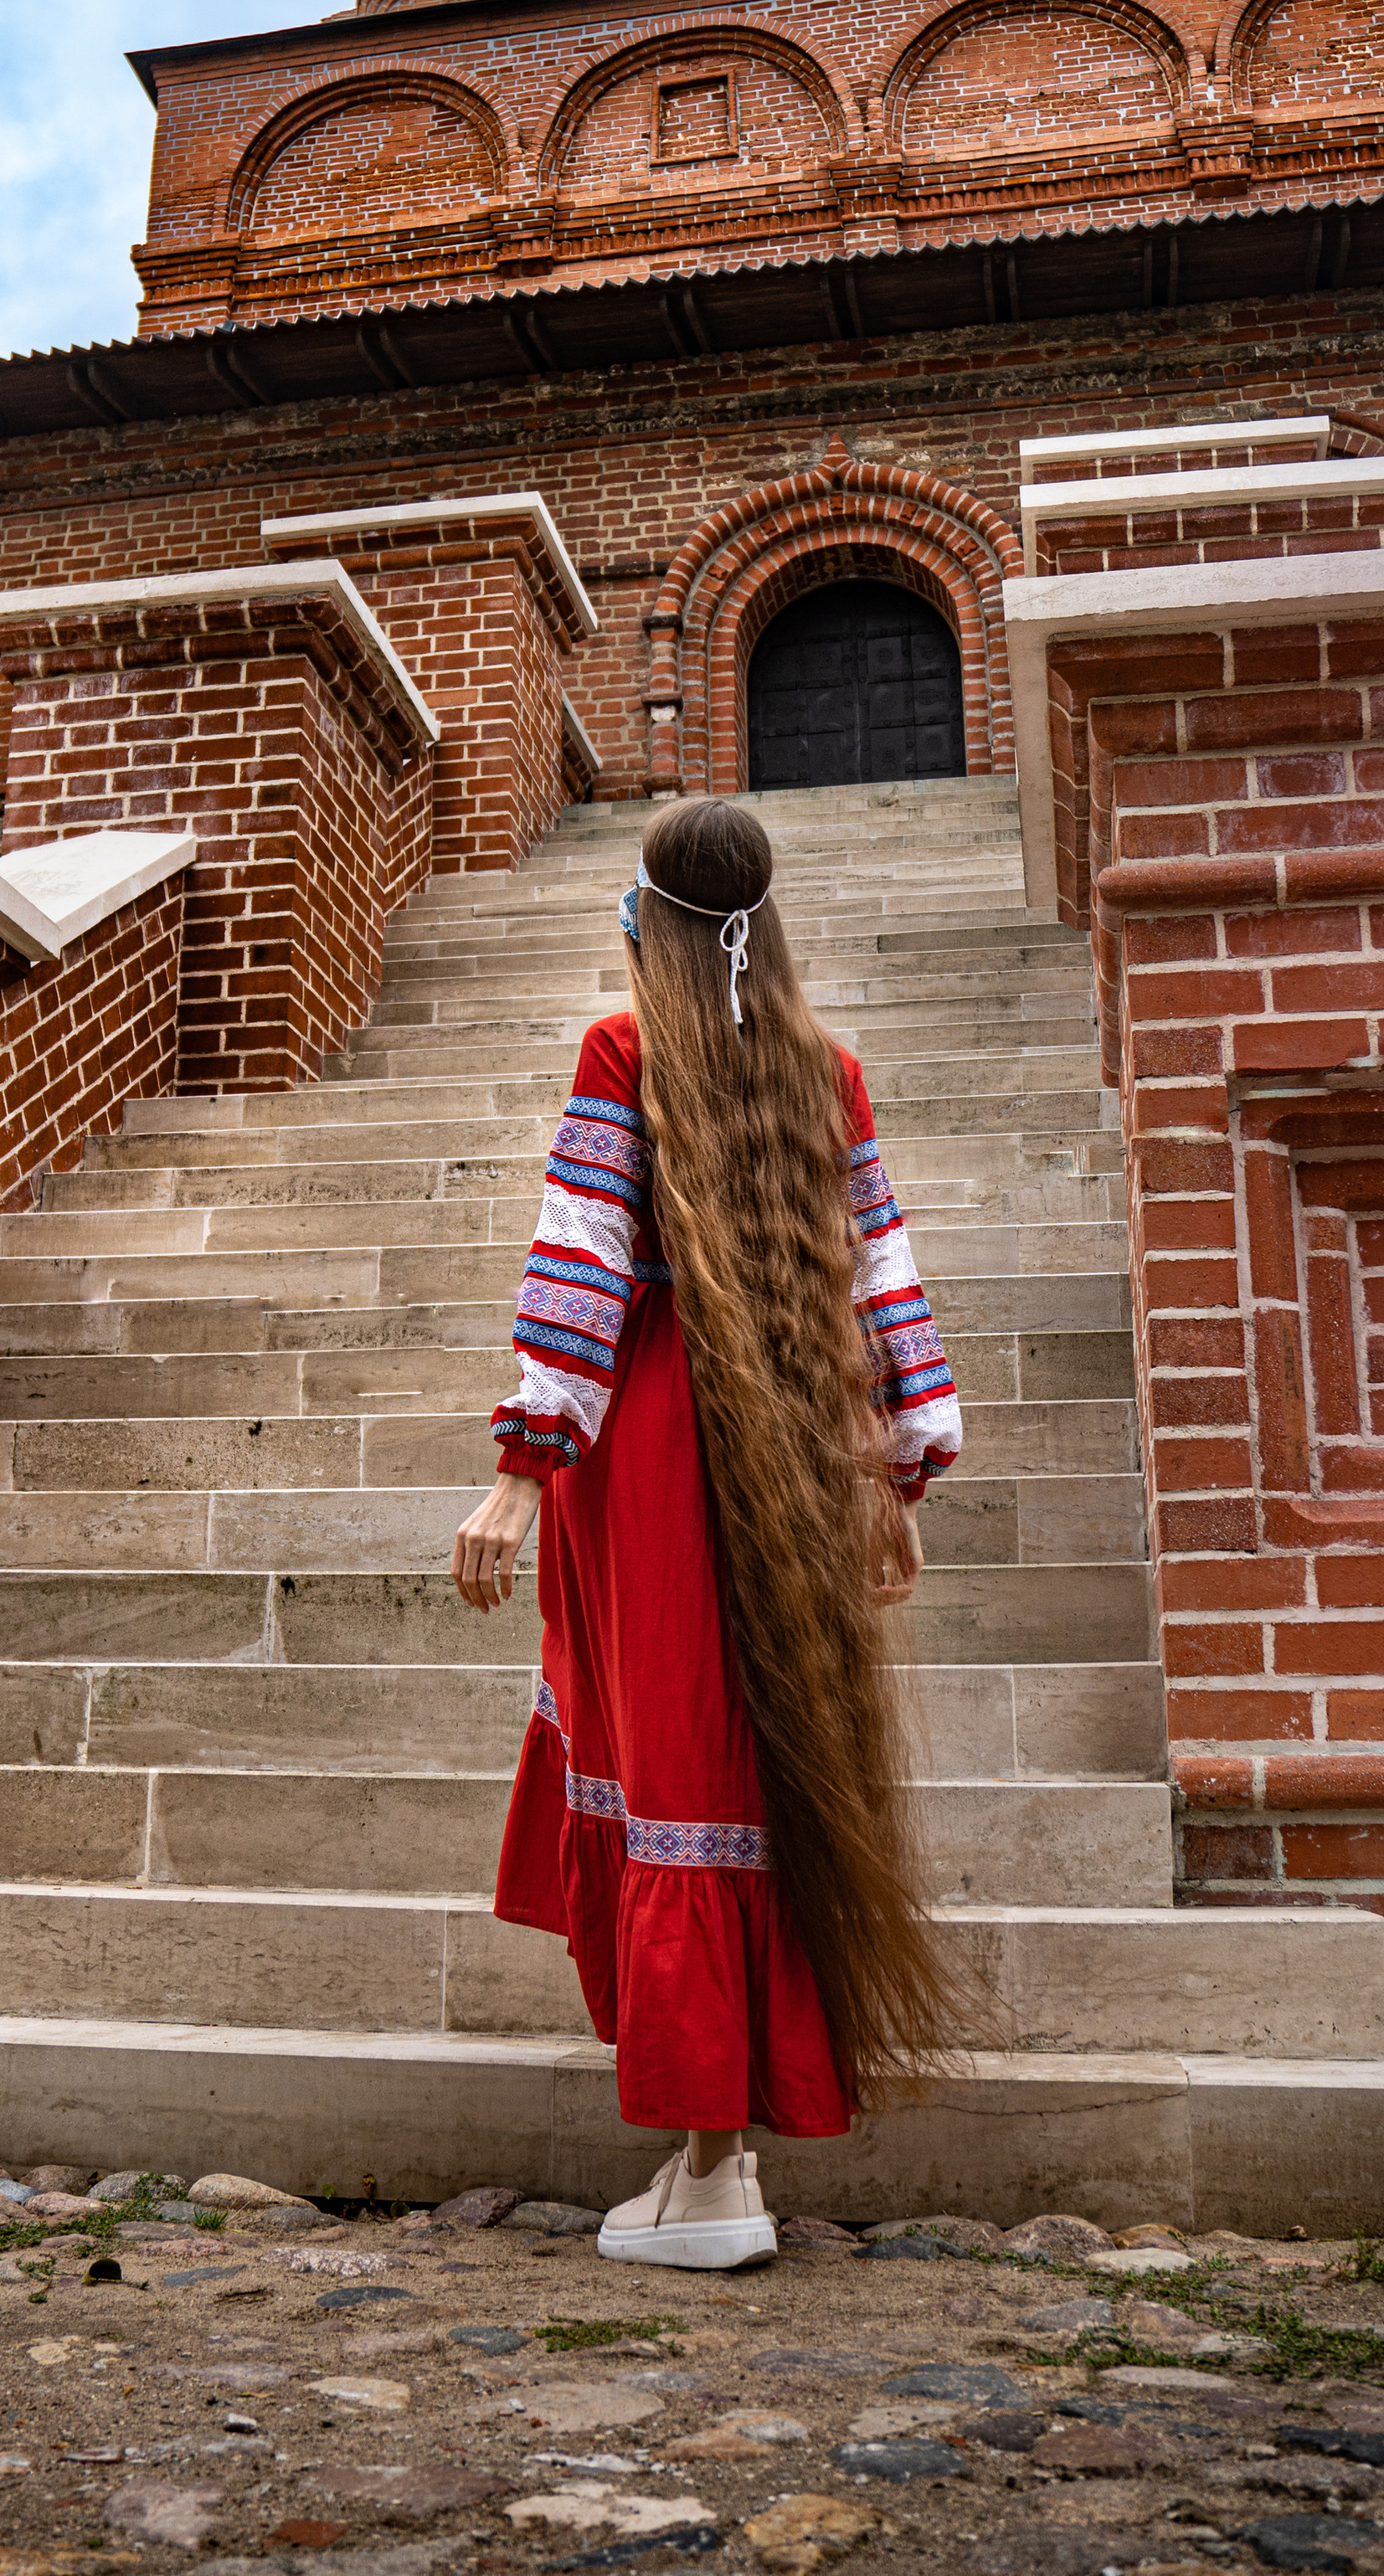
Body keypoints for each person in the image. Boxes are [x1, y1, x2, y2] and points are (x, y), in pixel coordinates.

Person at [452, 797, 964, 2271]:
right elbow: (881, 1277)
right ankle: (708, 2160)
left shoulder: (626, 1048)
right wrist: (898, 1470)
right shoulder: (828, 1066)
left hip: (654, 1449)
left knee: (674, 1761)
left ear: (652, 922)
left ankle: (716, 2165)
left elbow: (585, 1258)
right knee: (741, 1762)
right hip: (790, 1442)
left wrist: (522, 1470)